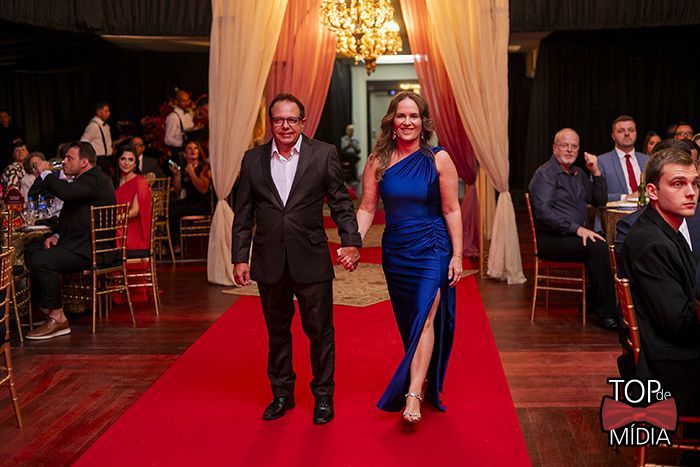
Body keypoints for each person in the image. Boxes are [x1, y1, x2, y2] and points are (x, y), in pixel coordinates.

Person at [232, 93, 361, 425]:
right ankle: (281, 393)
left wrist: (351, 241)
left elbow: (340, 202)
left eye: (292, 119)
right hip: (269, 259)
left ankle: (323, 396)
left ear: (303, 122)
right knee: (277, 333)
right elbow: (243, 214)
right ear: (271, 123)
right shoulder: (252, 160)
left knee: (320, 332)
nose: (285, 126)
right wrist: (240, 257)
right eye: (279, 119)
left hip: (311, 257)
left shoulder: (323, 154)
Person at [352, 91, 462, 423]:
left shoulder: (439, 159)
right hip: (397, 251)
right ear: (392, 120)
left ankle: (413, 395)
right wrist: (354, 243)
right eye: (401, 116)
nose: (407, 122)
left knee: (426, 316)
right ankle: (420, 374)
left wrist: (457, 255)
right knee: (410, 320)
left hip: (432, 246)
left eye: (414, 116)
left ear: (423, 122)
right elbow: (367, 208)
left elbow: (451, 209)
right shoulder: (378, 161)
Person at [619, 146, 700, 423]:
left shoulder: (665, 229)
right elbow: (679, 324)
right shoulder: (652, 243)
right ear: (652, 191)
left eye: (695, 183)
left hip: (672, 351)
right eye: (678, 184)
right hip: (669, 368)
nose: (691, 192)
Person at [528, 128, 618, 331]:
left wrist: (596, 172)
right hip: (551, 239)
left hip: (572, 236)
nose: (569, 150)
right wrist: (576, 229)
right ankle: (607, 314)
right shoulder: (545, 174)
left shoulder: (578, 173)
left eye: (574, 146)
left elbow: (599, 201)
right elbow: (543, 213)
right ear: (554, 147)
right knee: (597, 248)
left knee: (608, 242)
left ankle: (594, 302)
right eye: (564, 145)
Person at [24, 142, 116, 340]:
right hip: (78, 243)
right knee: (32, 250)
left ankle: (58, 317)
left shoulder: (94, 178)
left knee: (43, 260)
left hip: (92, 249)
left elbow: (65, 192)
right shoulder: (85, 181)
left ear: (84, 162)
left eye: (69, 158)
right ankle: (48, 307)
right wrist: (57, 235)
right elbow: (74, 215)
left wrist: (46, 172)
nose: (64, 161)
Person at [112, 145, 152, 303]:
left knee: (113, 239)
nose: (126, 163)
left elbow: (135, 211)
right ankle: (113, 289)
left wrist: (115, 219)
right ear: (117, 161)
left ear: (135, 163)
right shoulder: (114, 182)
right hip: (118, 227)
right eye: (123, 158)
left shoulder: (140, 181)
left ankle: (121, 290)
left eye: (130, 159)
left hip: (133, 231)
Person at [168, 141, 212, 253]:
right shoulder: (184, 168)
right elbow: (177, 190)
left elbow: (203, 189)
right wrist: (177, 175)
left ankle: (177, 243)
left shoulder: (204, 167)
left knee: (175, 210)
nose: (193, 151)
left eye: (195, 148)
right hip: (189, 201)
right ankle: (175, 243)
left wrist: (192, 173)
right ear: (184, 154)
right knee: (171, 208)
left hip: (202, 203)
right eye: (189, 148)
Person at [596, 116, 648, 202]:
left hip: (646, 209)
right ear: (613, 136)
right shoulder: (601, 161)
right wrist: (626, 197)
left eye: (631, 130)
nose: (627, 133)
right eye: (621, 131)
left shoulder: (647, 160)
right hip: (617, 210)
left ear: (636, 133)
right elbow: (597, 196)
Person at [81, 102, 114, 174]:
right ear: (99, 112)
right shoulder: (94, 126)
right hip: (99, 159)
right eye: (106, 111)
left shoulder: (105, 126)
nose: (109, 113)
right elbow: (84, 142)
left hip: (107, 158)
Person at [164, 90, 195, 161]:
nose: (186, 103)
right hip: (179, 153)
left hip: (189, 153)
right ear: (176, 101)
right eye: (183, 101)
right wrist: (183, 144)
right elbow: (168, 139)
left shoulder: (188, 114)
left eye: (187, 100)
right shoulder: (173, 117)